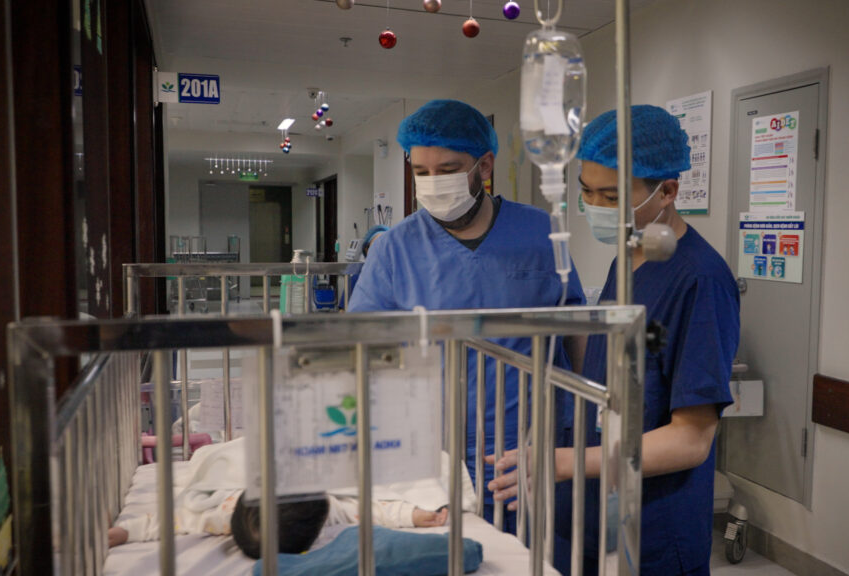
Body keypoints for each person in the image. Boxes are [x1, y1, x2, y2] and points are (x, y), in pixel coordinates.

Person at [488, 105, 739, 575]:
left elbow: (692, 440)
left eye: (610, 196)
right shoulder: (628, 256)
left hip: (652, 528)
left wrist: (563, 462)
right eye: (587, 192)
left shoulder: (700, 280)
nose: (595, 208)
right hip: (590, 512)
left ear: (667, 191)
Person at [347, 99, 585, 532]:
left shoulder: (541, 233)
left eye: (448, 170)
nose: (433, 183)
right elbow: (359, 347)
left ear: (485, 165)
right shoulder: (394, 249)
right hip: (431, 452)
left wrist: (588, 424)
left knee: (532, 556)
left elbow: (576, 331)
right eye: (421, 172)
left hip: (529, 444)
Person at [107, 437, 454, 558]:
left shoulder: (217, 515)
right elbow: (368, 511)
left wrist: (122, 533)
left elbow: (168, 521)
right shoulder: (325, 509)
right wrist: (412, 514)